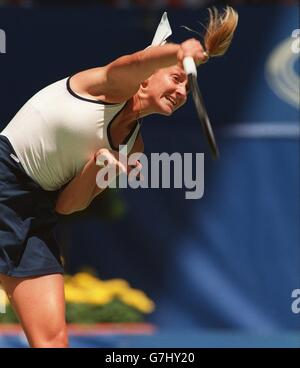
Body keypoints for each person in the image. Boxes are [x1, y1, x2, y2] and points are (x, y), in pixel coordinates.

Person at [0, 7, 238, 347]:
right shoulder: (108, 85)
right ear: (147, 77)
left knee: (52, 341)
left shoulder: (132, 148)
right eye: (176, 78)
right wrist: (179, 51)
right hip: (3, 171)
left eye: (187, 87)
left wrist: (98, 165)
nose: (182, 92)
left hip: (35, 212)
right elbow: (135, 60)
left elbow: (68, 205)